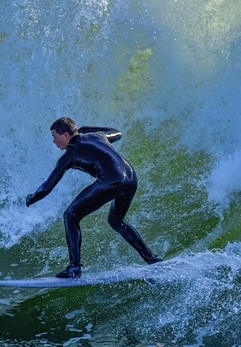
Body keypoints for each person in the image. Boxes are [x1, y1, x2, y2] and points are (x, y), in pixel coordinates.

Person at [26, 117, 163, 278]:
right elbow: (116, 133)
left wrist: (31, 198)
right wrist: (87, 129)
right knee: (116, 221)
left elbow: (46, 188)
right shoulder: (97, 135)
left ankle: (74, 268)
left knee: (70, 216)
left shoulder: (70, 154)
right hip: (131, 178)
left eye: (55, 137)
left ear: (65, 135)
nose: (54, 142)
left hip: (111, 181)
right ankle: (151, 259)